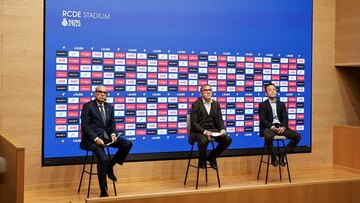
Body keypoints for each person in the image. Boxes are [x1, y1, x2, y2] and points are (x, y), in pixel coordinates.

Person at [81, 86, 133, 197]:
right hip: (91, 139)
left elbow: (112, 123)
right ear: (95, 93)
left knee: (127, 144)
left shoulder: (110, 107)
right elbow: (85, 126)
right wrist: (96, 138)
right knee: (103, 159)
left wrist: (113, 133)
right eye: (100, 92)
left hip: (106, 137)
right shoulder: (88, 106)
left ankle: (111, 166)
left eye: (105, 93)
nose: (102, 94)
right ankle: (103, 190)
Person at [190, 84, 232, 170]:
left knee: (227, 139)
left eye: (210, 90)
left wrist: (222, 129)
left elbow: (220, 120)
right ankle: (202, 160)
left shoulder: (216, 104)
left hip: (213, 130)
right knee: (204, 140)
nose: (208, 91)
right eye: (205, 90)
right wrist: (205, 132)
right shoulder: (196, 104)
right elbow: (194, 123)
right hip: (199, 131)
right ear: (201, 93)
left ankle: (211, 157)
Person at [259, 83, 301, 167]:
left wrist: (283, 127)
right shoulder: (262, 105)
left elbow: (285, 117)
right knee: (268, 136)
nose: (272, 91)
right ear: (266, 93)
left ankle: (282, 154)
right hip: (269, 127)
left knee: (297, 136)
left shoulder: (281, 104)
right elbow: (263, 120)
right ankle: (273, 156)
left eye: (274, 89)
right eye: (270, 90)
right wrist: (273, 127)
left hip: (280, 127)